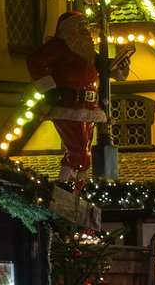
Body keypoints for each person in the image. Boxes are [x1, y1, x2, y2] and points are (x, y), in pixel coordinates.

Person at [26, 11, 130, 185]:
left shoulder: (86, 52)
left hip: (89, 108)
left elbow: (105, 68)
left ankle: (63, 185)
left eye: (86, 27)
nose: (86, 31)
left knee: (77, 151)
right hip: (70, 106)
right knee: (81, 154)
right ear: (70, 29)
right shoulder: (59, 46)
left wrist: (120, 67)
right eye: (81, 27)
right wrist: (49, 88)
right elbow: (34, 62)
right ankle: (79, 189)